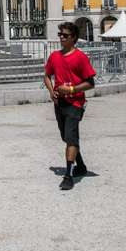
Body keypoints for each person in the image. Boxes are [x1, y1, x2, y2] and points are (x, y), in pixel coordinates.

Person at [44, 22, 96, 191]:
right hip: (60, 103)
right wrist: (52, 92)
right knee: (67, 137)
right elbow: (46, 76)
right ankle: (80, 165)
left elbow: (90, 83)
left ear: (73, 38)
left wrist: (72, 89)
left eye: (65, 35)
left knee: (71, 136)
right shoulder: (54, 56)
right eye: (60, 34)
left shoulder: (80, 57)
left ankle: (68, 175)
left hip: (75, 103)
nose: (61, 37)